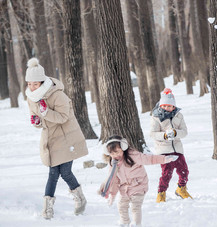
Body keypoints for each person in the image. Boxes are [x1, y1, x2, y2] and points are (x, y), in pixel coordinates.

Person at [25, 58, 88, 219]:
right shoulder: (31, 98)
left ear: (42, 82)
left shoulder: (57, 94)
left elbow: (63, 117)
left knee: (65, 172)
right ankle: (47, 209)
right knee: (53, 173)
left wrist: (46, 113)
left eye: (35, 84)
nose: (31, 87)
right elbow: (38, 119)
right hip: (51, 140)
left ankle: (80, 198)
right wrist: (37, 121)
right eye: (29, 84)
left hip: (67, 138)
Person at [98, 135, 177, 227]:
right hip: (124, 188)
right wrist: (113, 194)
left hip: (138, 185)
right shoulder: (113, 163)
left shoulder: (133, 155)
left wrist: (163, 159)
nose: (115, 155)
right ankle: (124, 223)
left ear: (123, 147)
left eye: (117, 152)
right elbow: (114, 179)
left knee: (135, 207)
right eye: (111, 153)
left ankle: (136, 224)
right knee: (121, 206)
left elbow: (149, 159)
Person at [150, 88, 192, 203]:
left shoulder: (179, 116)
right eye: (164, 106)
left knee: (184, 171)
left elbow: (184, 132)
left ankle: (181, 189)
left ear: (174, 107)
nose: (167, 108)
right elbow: (152, 134)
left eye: (169, 106)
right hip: (163, 150)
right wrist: (164, 135)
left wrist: (175, 133)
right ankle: (161, 193)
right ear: (161, 106)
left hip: (177, 149)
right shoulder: (156, 117)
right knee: (166, 173)